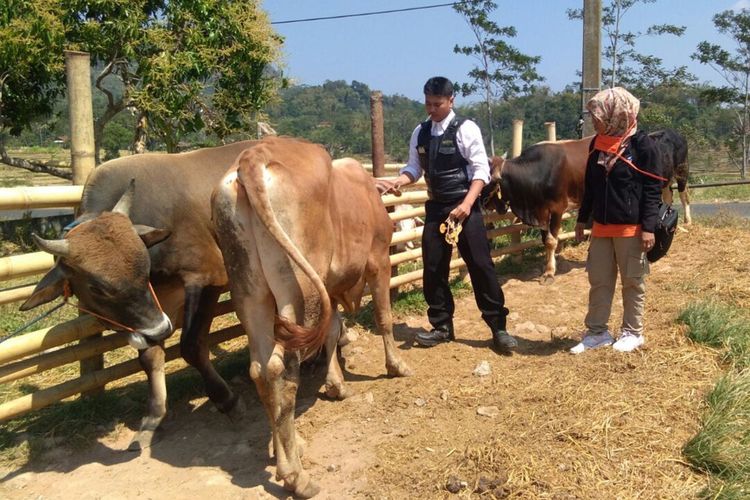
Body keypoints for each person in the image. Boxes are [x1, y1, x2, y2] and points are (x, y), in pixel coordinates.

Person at [376, 76, 517, 353]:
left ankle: (498, 327)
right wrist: (400, 181)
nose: (431, 109)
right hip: (437, 206)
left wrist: (466, 205)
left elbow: (481, 171)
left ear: (451, 100)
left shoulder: (466, 129)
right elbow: (414, 168)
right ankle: (442, 326)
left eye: (437, 104)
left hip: (465, 205)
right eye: (427, 103)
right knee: (432, 266)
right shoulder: (421, 132)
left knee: (480, 264)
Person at [572, 87, 663, 354]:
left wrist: (648, 227)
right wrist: (582, 219)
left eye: (597, 115)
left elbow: (652, 189)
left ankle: (633, 332)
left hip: (631, 229)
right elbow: (590, 186)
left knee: (633, 281)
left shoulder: (642, 145)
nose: (593, 120)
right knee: (599, 280)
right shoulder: (596, 143)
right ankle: (597, 332)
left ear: (616, 114)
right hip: (601, 227)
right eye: (592, 115)